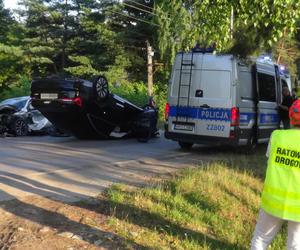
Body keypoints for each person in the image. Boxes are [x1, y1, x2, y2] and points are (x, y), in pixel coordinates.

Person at [250, 99, 300, 250]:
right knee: (295, 244)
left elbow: (269, 157)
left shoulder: (276, 136)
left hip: (273, 200)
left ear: (291, 117)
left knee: (260, 239)